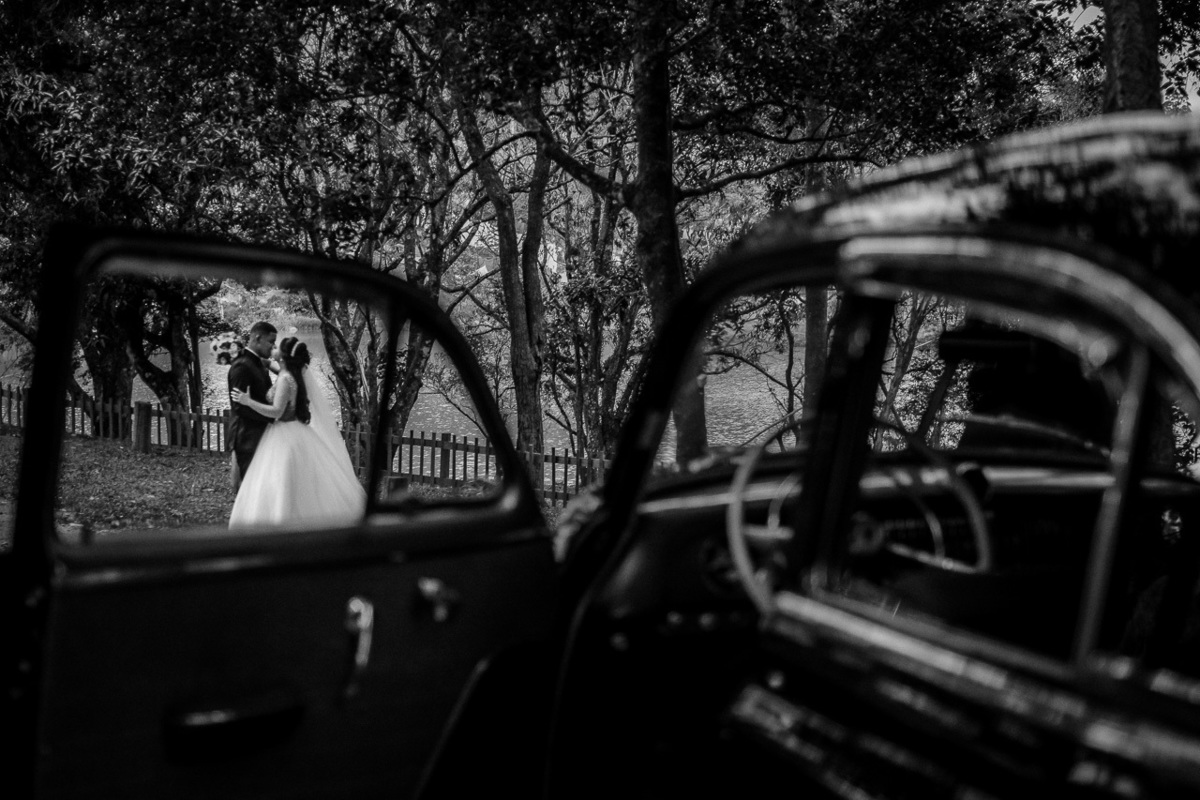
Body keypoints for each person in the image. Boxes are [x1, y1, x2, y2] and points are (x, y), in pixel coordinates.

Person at [228, 336, 367, 528]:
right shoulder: (290, 373)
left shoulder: (286, 379)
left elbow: (276, 411)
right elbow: (276, 367)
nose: (273, 348)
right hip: (294, 431)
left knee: (281, 477)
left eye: (277, 346)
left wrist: (248, 401)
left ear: (284, 356)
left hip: (283, 433)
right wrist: (261, 360)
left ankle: (282, 520)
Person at [227, 321, 277, 491]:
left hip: (258, 433)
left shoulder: (258, 362)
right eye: (271, 341)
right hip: (246, 435)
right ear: (257, 338)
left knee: (256, 487)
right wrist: (272, 416)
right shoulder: (242, 366)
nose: (273, 346)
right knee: (245, 487)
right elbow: (239, 406)